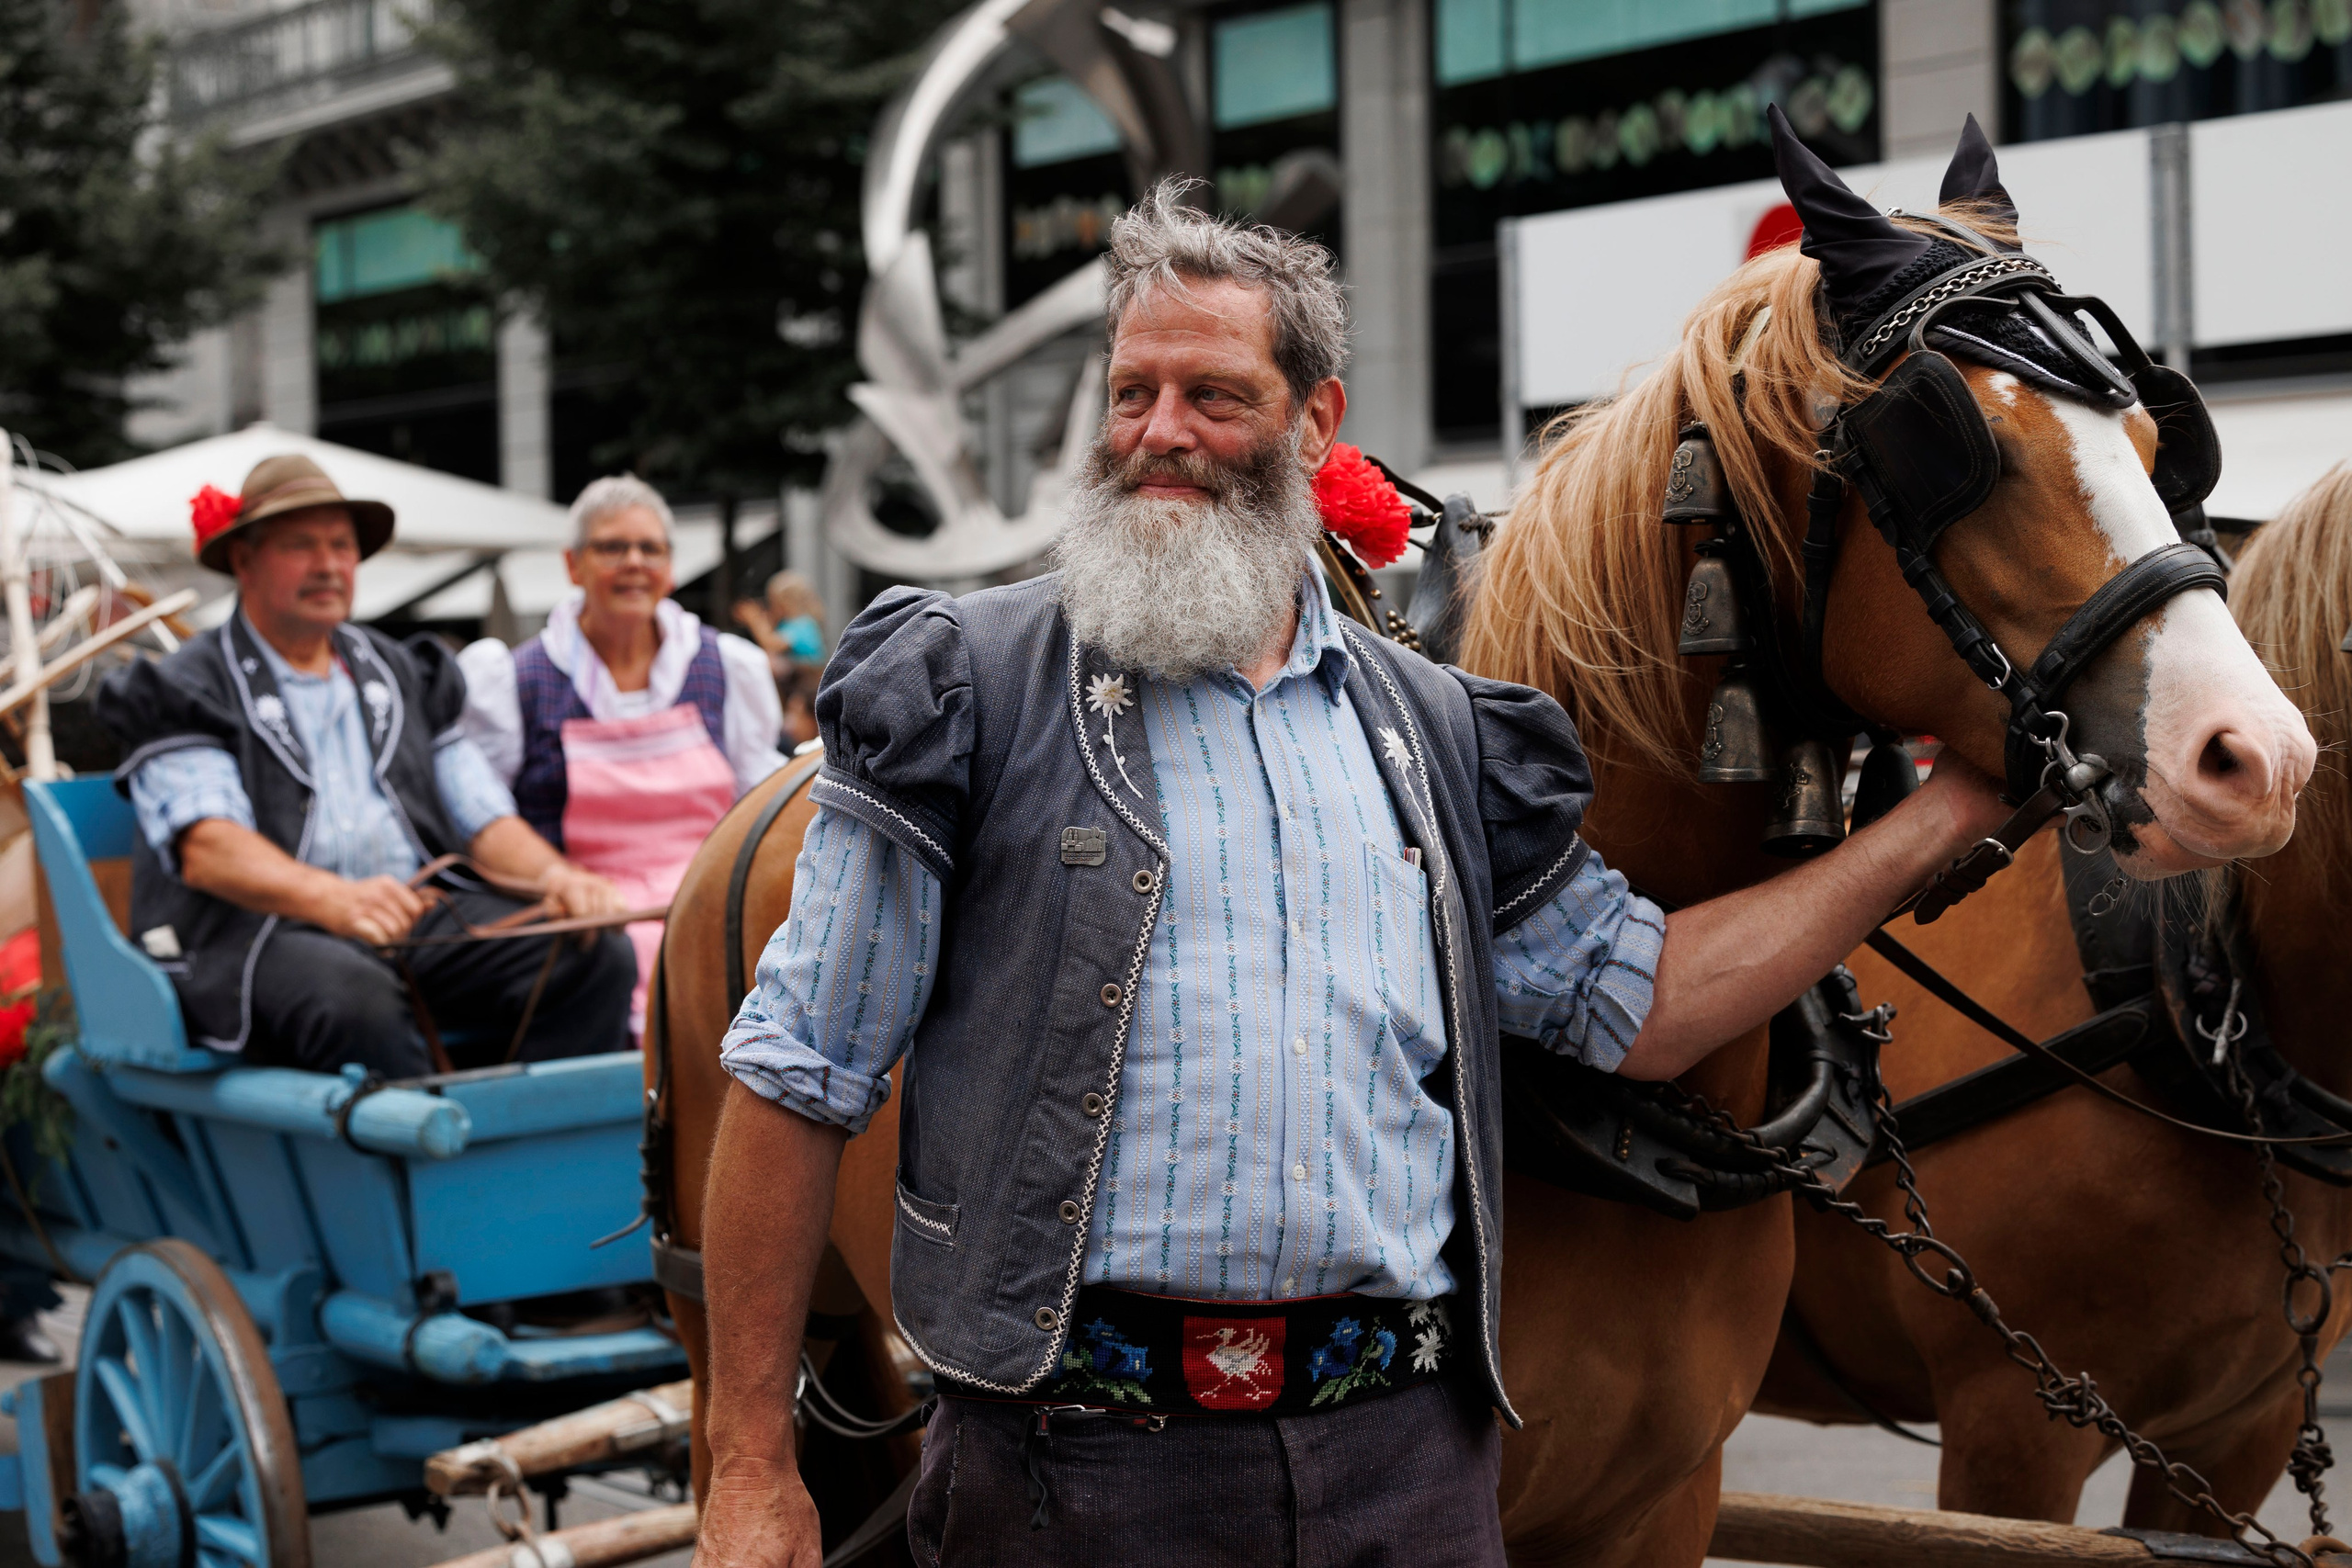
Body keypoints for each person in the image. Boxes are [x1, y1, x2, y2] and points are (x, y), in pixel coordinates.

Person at [695, 184, 2013, 1567]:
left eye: (1213, 393)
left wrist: (1937, 819)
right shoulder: (963, 686)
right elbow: (795, 1074)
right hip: (1072, 1476)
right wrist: (748, 1459)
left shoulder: (1443, 732)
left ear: (1316, 423)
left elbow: (1650, 997)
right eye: (1131, 390)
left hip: (1409, 1471)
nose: (1158, 433)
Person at [96, 455, 638, 1079]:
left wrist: (556, 877)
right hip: (257, 931)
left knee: (594, 953)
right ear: (243, 560)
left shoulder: (402, 669)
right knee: (352, 997)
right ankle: (422, 1169)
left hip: (409, 918)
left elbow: (479, 812)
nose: (328, 565)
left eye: (342, 546)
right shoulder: (187, 682)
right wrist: (334, 899)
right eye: (301, 546)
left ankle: (538, 1152)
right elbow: (208, 847)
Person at [459, 477, 786, 1033]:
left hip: (713, 910)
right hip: (585, 926)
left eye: (650, 548)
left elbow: (763, 808)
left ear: (671, 567)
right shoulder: (512, 679)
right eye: (612, 548)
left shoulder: (729, 667)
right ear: (573, 565)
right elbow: (485, 824)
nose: (633, 562)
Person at [734, 571, 825, 750]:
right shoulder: (787, 625)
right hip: (792, 690)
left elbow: (771, 642)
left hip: (808, 690)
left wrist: (755, 620)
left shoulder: (803, 624)